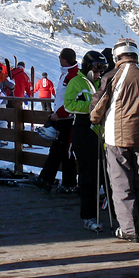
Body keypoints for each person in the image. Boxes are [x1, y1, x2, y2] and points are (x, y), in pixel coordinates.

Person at [90, 38, 139, 242]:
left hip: (117, 136)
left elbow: (98, 107)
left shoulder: (113, 75)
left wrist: (94, 118)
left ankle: (129, 230)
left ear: (116, 56)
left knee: (122, 184)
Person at [64, 50, 108, 232]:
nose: (98, 73)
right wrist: (92, 107)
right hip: (83, 130)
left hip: (99, 132)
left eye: (101, 70)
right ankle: (88, 215)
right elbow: (68, 104)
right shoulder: (76, 82)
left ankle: (111, 213)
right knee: (88, 176)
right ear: (87, 67)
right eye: (96, 69)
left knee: (103, 174)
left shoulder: (101, 83)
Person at [35, 49, 79, 194]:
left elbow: (73, 100)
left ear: (64, 60)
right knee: (56, 149)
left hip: (68, 119)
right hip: (60, 117)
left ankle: (69, 183)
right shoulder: (66, 73)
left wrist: (60, 113)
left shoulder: (73, 76)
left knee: (65, 151)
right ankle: (45, 179)